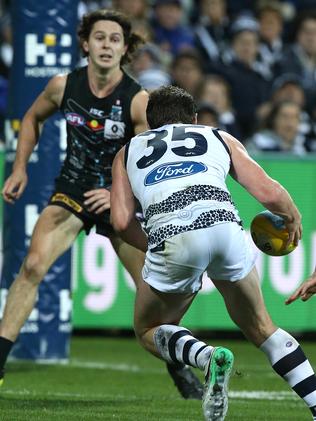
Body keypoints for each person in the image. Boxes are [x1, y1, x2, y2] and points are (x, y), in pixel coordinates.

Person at [0, 10, 202, 399]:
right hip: (73, 189)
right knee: (32, 265)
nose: (106, 45)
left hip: (120, 198)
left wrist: (115, 193)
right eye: (99, 37)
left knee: (152, 290)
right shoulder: (63, 86)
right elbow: (31, 119)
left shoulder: (138, 100)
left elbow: (146, 157)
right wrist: (20, 168)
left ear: (125, 49)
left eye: (114, 39)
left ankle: (179, 369)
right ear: (85, 44)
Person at [110, 85, 316, 420]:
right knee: (263, 327)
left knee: (148, 328)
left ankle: (206, 358)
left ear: (149, 124)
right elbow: (267, 192)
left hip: (172, 234)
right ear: (193, 118)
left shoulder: (128, 150)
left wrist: (157, 244)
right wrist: (293, 215)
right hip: (224, 225)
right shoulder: (217, 136)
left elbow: (119, 222)